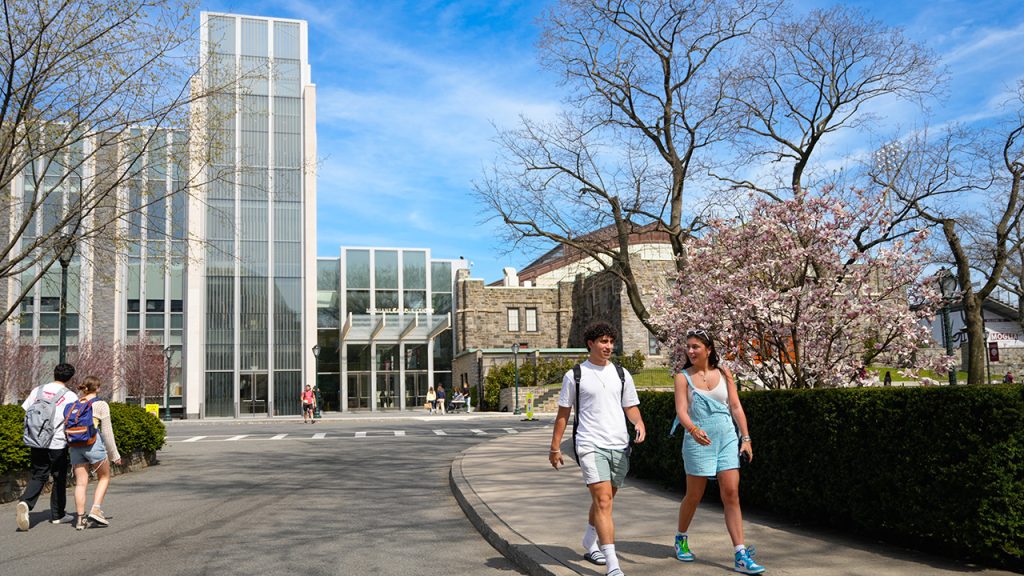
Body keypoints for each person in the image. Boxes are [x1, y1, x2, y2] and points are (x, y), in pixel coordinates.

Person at [549, 321, 646, 576]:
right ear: (591, 344)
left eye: (611, 342)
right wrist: (555, 447)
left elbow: (630, 407)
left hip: (619, 443)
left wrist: (639, 423)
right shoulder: (575, 375)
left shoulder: (622, 374)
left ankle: (589, 540)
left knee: (606, 499)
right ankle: (613, 565)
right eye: (603, 341)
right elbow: (563, 414)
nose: (608, 346)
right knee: (603, 501)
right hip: (590, 443)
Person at [672, 329, 764, 574]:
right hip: (698, 441)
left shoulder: (724, 373)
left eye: (695, 347)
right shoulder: (683, 377)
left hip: (726, 438)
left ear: (708, 349)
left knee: (731, 493)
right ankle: (681, 537)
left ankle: (740, 553)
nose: (691, 351)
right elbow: (681, 411)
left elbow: (735, 406)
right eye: (688, 347)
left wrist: (746, 438)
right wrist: (692, 429)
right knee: (694, 495)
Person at [16, 363, 79, 531]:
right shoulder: (71, 396)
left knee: (39, 474)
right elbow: (72, 421)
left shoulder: (37, 390)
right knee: (59, 477)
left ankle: (26, 502)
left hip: (36, 440)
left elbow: (26, 410)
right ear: (70, 378)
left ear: (54, 374)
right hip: (57, 442)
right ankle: (58, 515)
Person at [66, 376, 122, 530]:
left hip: (75, 445)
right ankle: (96, 509)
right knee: (104, 477)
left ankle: (79, 520)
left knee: (81, 483)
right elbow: (107, 432)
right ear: (97, 388)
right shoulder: (100, 404)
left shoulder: (74, 405)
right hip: (93, 443)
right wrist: (114, 455)